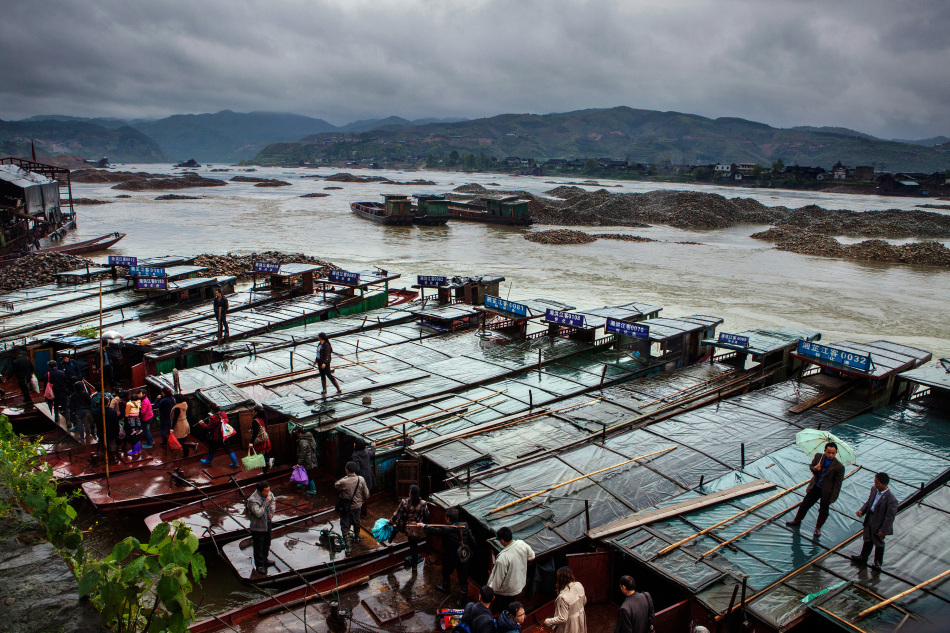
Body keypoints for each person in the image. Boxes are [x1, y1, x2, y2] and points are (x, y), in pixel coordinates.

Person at [786, 442, 845, 537]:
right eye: (829, 452)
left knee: (824, 511)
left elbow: (838, 483)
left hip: (827, 491)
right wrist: (815, 468)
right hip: (815, 487)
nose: (831, 455)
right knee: (805, 504)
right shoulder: (819, 457)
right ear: (825, 451)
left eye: (833, 453)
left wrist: (834, 496)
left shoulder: (839, 467)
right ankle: (797, 520)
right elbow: (811, 467)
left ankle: (818, 528)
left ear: (836, 453)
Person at [418, 506, 477, 597]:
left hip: (451, 557)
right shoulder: (465, 525)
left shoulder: (446, 530)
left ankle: (446, 588)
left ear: (448, 519)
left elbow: (433, 531)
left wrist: (423, 525)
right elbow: (472, 540)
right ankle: (463, 596)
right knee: (463, 577)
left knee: (445, 572)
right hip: (463, 556)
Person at [851, 472, 898, 570]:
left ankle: (877, 562)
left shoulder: (891, 499)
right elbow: (869, 502)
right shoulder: (874, 490)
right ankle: (863, 557)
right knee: (867, 538)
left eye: (877, 483)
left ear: (884, 484)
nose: (875, 484)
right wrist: (862, 511)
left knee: (878, 542)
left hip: (879, 522)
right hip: (870, 518)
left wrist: (884, 530)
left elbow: (890, 517)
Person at [488, 526, 536, 613]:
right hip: (519, 585)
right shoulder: (522, 544)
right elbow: (532, 556)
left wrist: (488, 591)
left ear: (502, 540)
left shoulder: (503, 558)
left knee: (504, 609)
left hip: (506, 591)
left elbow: (497, 581)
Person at [387, 484, 429, 566]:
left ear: (410, 493)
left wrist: (389, 522)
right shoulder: (423, 504)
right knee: (414, 546)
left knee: (396, 528)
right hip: (416, 528)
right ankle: (414, 566)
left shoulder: (404, 502)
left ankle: (390, 539)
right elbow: (427, 515)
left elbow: (396, 515)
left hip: (404, 526)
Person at [544, 567, 587, 633]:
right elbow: (584, 601)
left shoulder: (562, 597)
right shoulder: (579, 585)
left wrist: (547, 621)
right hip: (580, 619)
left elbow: (563, 618)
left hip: (570, 626)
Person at [335, 460, 369, 543]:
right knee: (357, 521)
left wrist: (346, 477)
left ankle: (348, 548)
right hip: (357, 506)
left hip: (346, 508)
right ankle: (357, 537)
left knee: (345, 526)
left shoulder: (343, 481)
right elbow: (367, 494)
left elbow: (336, 485)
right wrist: (362, 501)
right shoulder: (361, 479)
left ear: (346, 470)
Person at [247, 480, 276, 575]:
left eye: (268, 490)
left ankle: (265, 559)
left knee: (267, 543)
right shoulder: (252, 500)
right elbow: (258, 513)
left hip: (267, 523)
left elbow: (273, 500)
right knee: (258, 546)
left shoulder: (268, 494)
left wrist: (272, 512)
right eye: (266, 491)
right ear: (259, 491)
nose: (268, 493)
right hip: (258, 527)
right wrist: (265, 503)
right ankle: (259, 565)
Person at [198, 403, 239, 468]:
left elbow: (209, 427)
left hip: (217, 436)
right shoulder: (223, 413)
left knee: (212, 449)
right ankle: (235, 463)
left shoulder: (213, 418)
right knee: (228, 449)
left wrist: (202, 424)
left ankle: (208, 461)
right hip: (225, 435)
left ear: (211, 410)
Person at [92, 391, 119, 463]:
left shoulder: (96, 411)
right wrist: (117, 432)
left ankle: (104, 456)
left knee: (102, 444)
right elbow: (116, 423)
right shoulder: (112, 412)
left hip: (100, 431)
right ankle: (111, 459)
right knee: (111, 445)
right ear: (108, 403)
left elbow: (93, 421)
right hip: (111, 431)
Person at [249, 405, 273, 474]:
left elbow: (254, 434)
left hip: (260, 441)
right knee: (263, 454)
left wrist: (251, 442)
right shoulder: (263, 419)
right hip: (265, 439)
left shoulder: (255, 421)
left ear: (256, 412)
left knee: (261, 456)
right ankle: (267, 463)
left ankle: (265, 469)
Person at [294, 426, 319, 494]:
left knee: (308, 473)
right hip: (310, 458)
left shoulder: (302, 441)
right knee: (304, 472)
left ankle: (313, 489)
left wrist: (299, 463)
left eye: (297, 434)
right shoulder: (310, 437)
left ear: (300, 434)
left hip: (307, 461)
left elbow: (302, 454)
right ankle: (303, 484)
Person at [44, 360, 70, 424]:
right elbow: (67, 382)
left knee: (55, 405)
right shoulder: (62, 373)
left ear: (49, 367)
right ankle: (68, 422)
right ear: (56, 365)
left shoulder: (47, 374)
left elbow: (45, 385)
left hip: (54, 392)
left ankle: (56, 418)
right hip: (63, 392)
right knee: (65, 407)